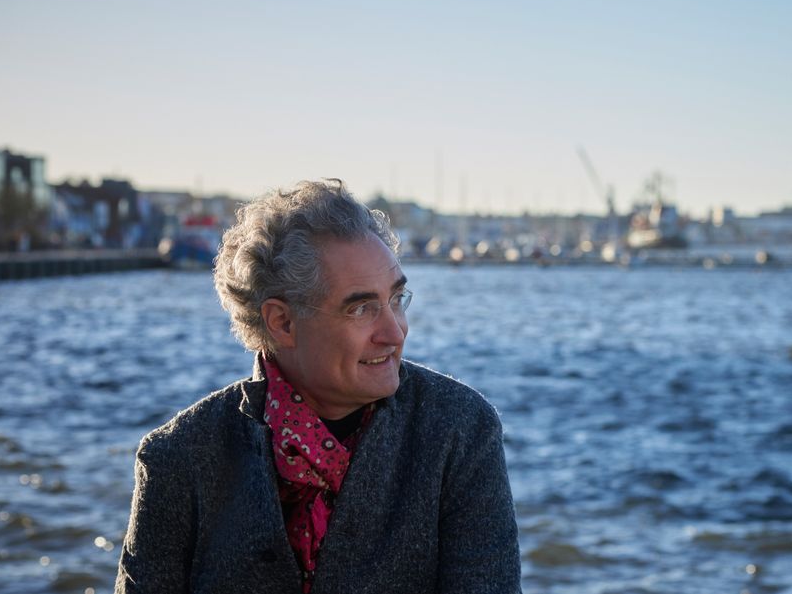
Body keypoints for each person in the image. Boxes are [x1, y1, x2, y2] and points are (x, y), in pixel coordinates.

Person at [115, 180, 521, 593]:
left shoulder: (459, 430)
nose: (394, 332)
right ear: (282, 322)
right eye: (361, 308)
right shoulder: (178, 459)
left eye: (396, 299)